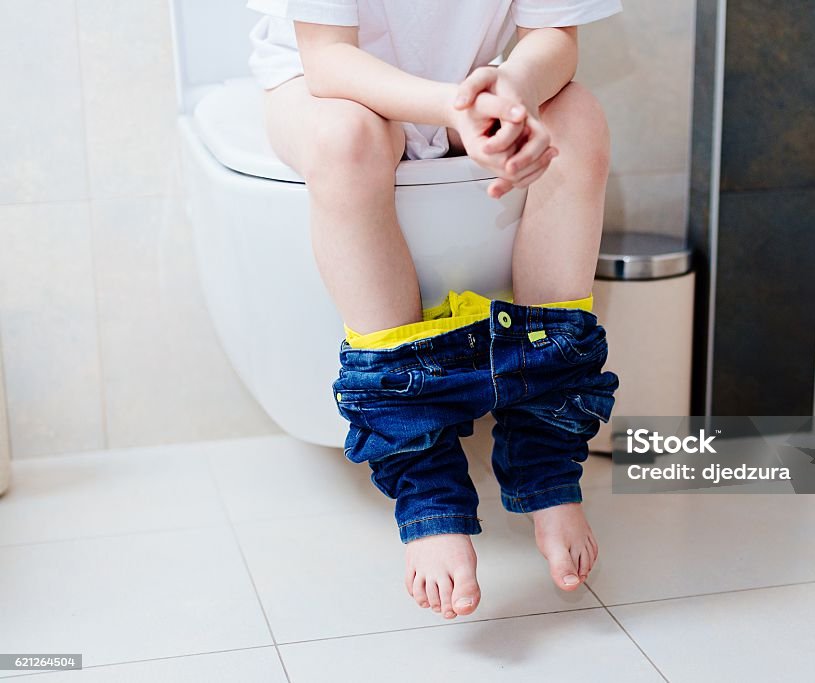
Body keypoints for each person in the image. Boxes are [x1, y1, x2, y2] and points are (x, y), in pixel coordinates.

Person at [247, 0, 621, 621]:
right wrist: (457, 105)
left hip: (469, 83)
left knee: (577, 118)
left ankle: (544, 453)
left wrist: (510, 88)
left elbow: (553, 35)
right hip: (328, 90)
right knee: (349, 140)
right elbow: (328, 61)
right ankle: (426, 481)